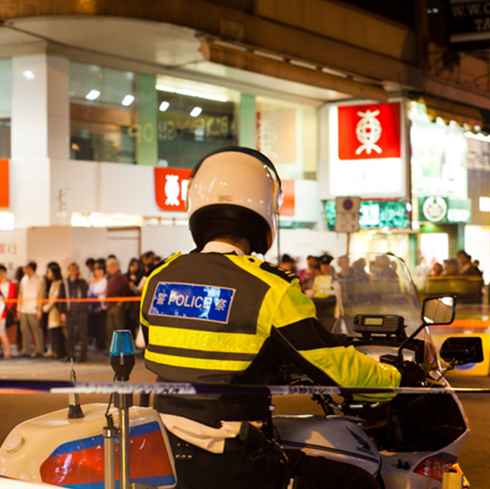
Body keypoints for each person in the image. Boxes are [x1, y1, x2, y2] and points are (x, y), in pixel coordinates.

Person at [139, 147, 400, 489]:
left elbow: (173, 343)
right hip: (231, 450)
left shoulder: (160, 277)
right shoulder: (269, 288)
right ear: (263, 209)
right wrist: (391, 378)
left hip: (168, 441)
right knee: (356, 478)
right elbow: (332, 364)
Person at [63, 262, 90, 363]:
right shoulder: (64, 283)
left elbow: (85, 293)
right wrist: (62, 312)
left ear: (78, 271)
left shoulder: (82, 282)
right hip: (69, 312)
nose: (73, 271)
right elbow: (61, 297)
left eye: (75, 269)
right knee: (69, 335)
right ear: (68, 271)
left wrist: (79, 278)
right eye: (71, 269)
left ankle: (83, 356)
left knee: (83, 335)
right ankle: (70, 355)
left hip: (81, 311)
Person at [18, 261, 44, 358]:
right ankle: (26, 350)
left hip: (34, 308)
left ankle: (39, 351)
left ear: (30, 268)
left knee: (36, 330)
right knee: (24, 329)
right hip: (24, 308)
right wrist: (19, 309)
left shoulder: (39, 279)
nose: (24, 269)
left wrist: (39, 309)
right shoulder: (23, 279)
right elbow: (20, 294)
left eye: (26, 267)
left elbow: (41, 295)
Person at [105, 257, 130, 344]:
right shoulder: (109, 278)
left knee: (119, 329)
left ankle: (121, 348)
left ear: (114, 266)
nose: (108, 269)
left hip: (117, 307)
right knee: (110, 329)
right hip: (110, 306)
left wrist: (120, 303)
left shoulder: (121, 278)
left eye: (109, 266)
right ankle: (113, 349)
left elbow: (126, 292)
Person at [43, 262, 65, 359]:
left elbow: (55, 298)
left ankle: (59, 352)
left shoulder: (59, 283)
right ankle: (55, 351)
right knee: (53, 331)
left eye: (49, 272)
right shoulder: (53, 283)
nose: (47, 274)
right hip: (52, 311)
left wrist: (46, 307)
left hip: (56, 311)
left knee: (57, 331)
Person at [87, 260, 108, 351]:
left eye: (100, 270)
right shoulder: (92, 281)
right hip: (92, 306)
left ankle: (101, 345)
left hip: (101, 306)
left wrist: (96, 294)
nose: (97, 272)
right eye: (96, 270)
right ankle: (94, 343)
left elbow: (104, 292)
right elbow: (89, 293)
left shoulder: (105, 280)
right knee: (93, 326)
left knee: (101, 327)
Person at [0, 265, 17, 359]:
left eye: (1, 273)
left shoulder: (11, 285)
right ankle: (7, 352)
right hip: (2, 310)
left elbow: (10, 301)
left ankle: (8, 353)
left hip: (3, 312)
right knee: (2, 333)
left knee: (2, 332)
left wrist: (5, 311)